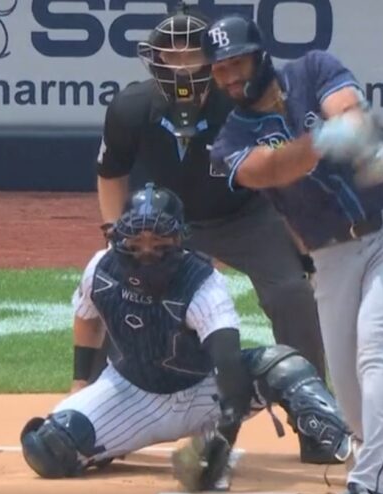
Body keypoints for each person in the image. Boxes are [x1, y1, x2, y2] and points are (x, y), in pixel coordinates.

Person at [200, 14, 383, 494]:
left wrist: (353, 132)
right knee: (352, 408)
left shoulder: (312, 69)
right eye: (219, 70)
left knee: (376, 349)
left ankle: (368, 484)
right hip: (331, 259)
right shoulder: (229, 139)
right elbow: (268, 170)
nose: (228, 78)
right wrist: (325, 142)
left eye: (236, 64)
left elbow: (348, 109)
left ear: (260, 55)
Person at [90, 3, 337, 465]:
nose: (182, 64)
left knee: (292, 295)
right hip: (167, 226)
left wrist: (304, 244)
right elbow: (110, 172)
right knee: (121, 290)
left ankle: (315, 419)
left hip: (247, 215)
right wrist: (113, 237)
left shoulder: (242, 103)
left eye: (191, 55)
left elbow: (282, 174)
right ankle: (103, 414)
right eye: (172, 54)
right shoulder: (130, 107)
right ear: (154, 59)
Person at [19, 183, 352, 492]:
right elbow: (88, 321)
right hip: (130, 394)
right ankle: (104, 443)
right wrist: (80, 381)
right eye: (137, 242)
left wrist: (221, 442)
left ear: (180, 240)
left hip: (206, 392)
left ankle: (352, 445)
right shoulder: (101, 270)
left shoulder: (203, 284)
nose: (146, 252)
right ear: (120, 237)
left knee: (285, 368)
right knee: (48, 449)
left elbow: (229, 367)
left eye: (159, 243)